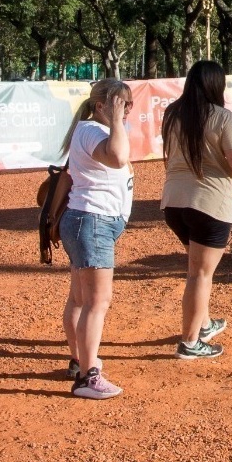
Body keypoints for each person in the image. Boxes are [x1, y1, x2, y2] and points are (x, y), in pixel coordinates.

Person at [161, 60, 232, 360]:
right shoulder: (221, 117)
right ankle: (190, 343)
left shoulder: (172, 113)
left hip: (174, 202)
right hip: (209, 203)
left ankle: (203, 325)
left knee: (196, 270)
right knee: (199, 274)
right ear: (216, 85)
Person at [59, 79, 135, 399]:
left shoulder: (94, 129)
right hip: (92, 223)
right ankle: (89, 377)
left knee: (80, 298)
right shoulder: (93, 130)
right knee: (96, 302)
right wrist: (117, 121)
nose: (128, 109)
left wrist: (117, 121)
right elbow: (117, 158)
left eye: (129, 104)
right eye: (121, 103)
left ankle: (80, 362)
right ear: (101, 106)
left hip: (90, 222)